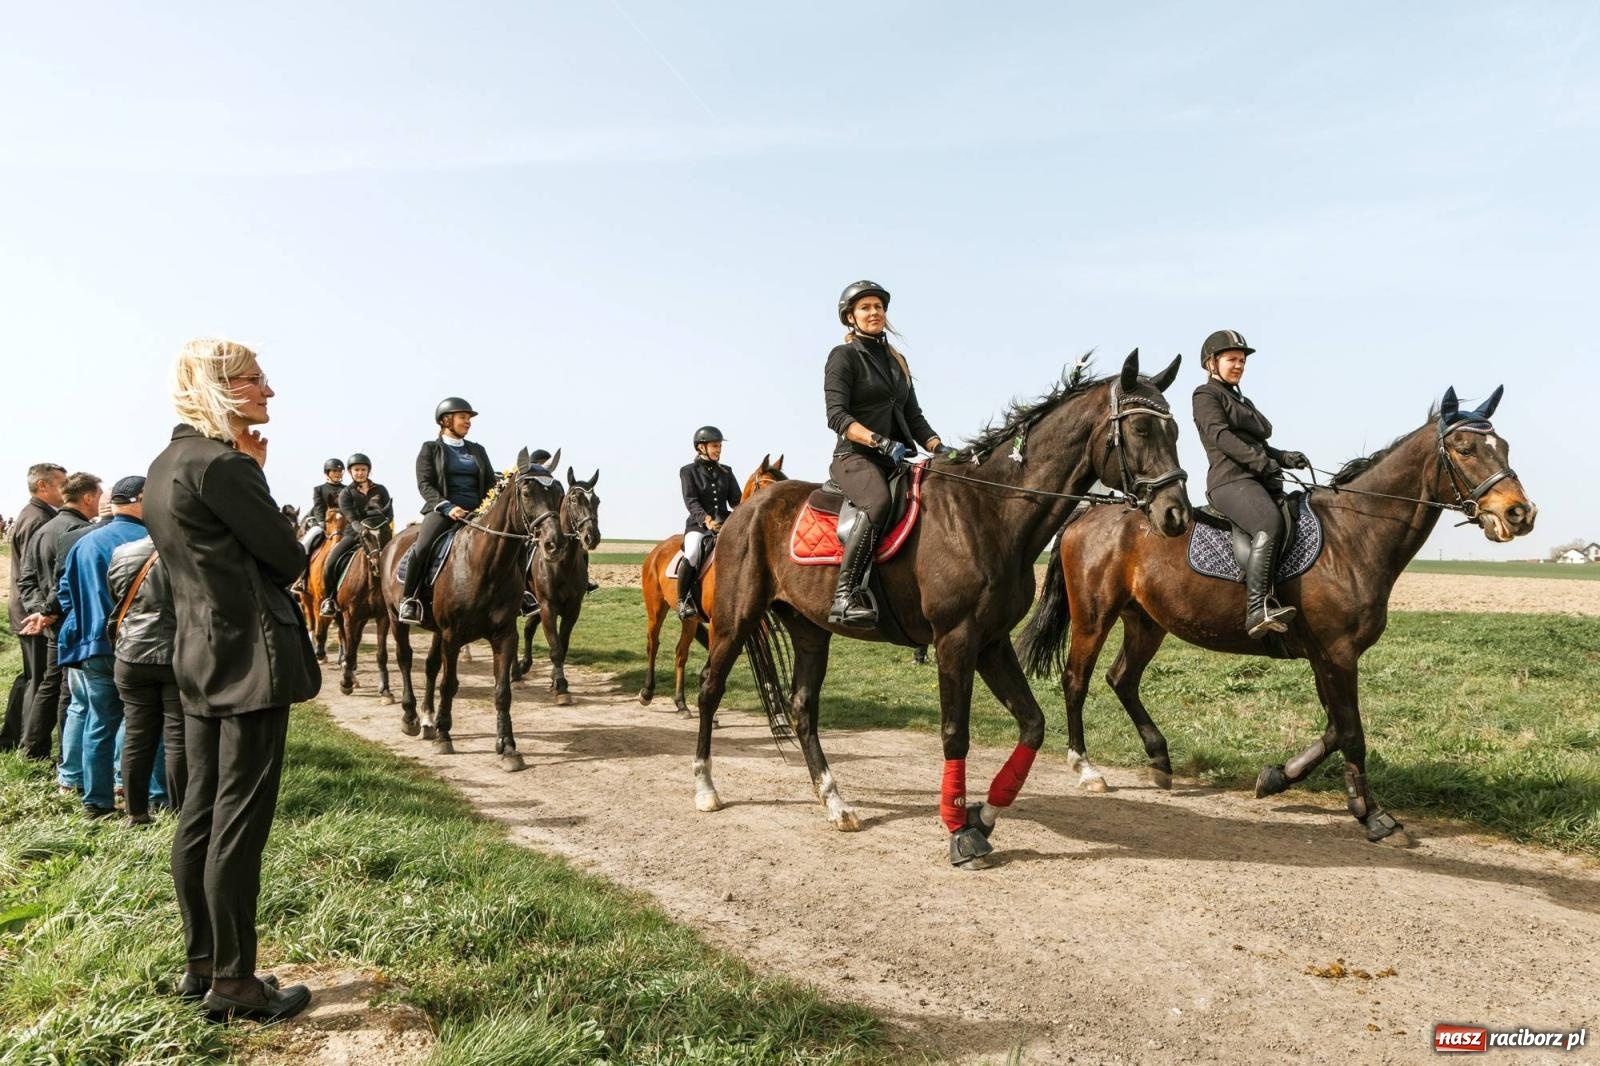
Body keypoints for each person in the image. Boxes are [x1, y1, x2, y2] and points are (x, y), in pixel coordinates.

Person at [143, 338, 317, 1020]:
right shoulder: (224, 466)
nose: (268, 394)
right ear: (221, 388)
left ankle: (201, 964)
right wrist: (260, 481)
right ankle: (237, 984)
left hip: (196, 656)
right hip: (250, 659)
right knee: (239, 825)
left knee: (199, 815)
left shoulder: (163, 464)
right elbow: (286, 558)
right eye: (255, 382)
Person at [823, 280, 954, 627]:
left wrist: (940, 448)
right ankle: (845, 595)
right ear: (850, 317)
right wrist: (879, 442)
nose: (874, 312)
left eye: (878, 307)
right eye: (865, 308)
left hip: (895, 459)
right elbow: (837, 416)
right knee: (878, 502)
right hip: (854, 458)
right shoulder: (844, 356)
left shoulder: (897, 360)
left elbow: (914, 417)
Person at [1191, 329, 1311, 637]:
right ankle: (1257, 609)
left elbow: (1256, 443)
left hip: (1256, 480)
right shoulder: (1205, 396)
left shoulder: (1240, 398)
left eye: (1242, 360)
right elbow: (1221, 437)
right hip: (1230, 481)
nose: (1239, 365)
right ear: (1211, 363)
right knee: (1268, 523)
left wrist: (1283, 457)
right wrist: (1261, 463)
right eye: (1232, 359)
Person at [54, 476, 156, 817]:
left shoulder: (83, 542)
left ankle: (96, 801)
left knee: (98, 721)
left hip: (92, 645)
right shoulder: (151, 540)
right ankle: (149, 793)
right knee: (145, 722)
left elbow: (65, 594)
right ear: (139, 500)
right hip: (138, 646)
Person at [17, 472, 102, 771]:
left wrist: (40, 610)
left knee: (50, 684)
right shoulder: (80, 531)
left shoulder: (44, 528)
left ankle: (33, 747)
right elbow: (64, 579)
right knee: (69, 690)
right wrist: (50, 610)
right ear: (88, 497)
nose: (100, 503)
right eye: (99, 496)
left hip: (51, 619)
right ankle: (68, 758)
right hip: (70, 619)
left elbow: (25, 578)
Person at [108, 530, 185, 825]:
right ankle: (183, 814)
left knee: (137, 736)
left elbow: (115, 595)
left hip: (130, 653)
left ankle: (136, 812)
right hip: (174, 653)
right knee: (178, 737)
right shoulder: (184, 550)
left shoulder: (123, 552)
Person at [397, 398, 495, 625]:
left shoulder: (478, 450)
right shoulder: (430, 449)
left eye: (469, 418)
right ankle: (409, 599)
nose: (468, 422)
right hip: (442, 511)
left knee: (508, 541)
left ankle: (521, 596)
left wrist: (488, 508)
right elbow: (425, 484)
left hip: (478, 512)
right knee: (422, 548)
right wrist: (448, 507)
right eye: (463, 417)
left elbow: (490, 483)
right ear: (445, 420)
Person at [3, 462, 65, 753]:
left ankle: (12, 738)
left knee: (29, 676)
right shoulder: (38, 519)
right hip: (33, 612)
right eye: (61, 484)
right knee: (38, 680)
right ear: (43, 486)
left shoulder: (31, 514)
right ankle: (29, 745)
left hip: (25, 609)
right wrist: (43, 610)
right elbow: (35, 574)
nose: (65, 491)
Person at [676, 427, 740, 620]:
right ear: (701, 447)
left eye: (719, 446)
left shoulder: (726, 471)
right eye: (714, 446)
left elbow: (736, 500)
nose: (718, 449)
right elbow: (691, 501)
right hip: (699, 525)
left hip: (725, 524)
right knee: (693, 552)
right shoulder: (688, 471)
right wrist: (707, 521)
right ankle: (683, 600)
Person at [319, 453, 393, 618]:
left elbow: (389, 512)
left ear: (369, 471)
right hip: (354, 533)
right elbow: (351, 517)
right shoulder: (346, 493)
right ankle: (329, 599)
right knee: (330, 561)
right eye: (356, 470)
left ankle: (401, 598)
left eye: (363, 469)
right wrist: (362, 530)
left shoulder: (381, 490)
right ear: (351, 472)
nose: (360, 472)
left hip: (380, 534)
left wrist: (383, 529)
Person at [299, 458, 345, 555]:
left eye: (340, 471)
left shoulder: (347, 489)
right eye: (334, 471)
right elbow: (318, 507)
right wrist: (321, 522)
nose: (338, 473)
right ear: (327, 473)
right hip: (324, 522)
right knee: (307, 541)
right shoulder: (319, 489)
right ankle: (301, 560)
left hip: (342, 523)